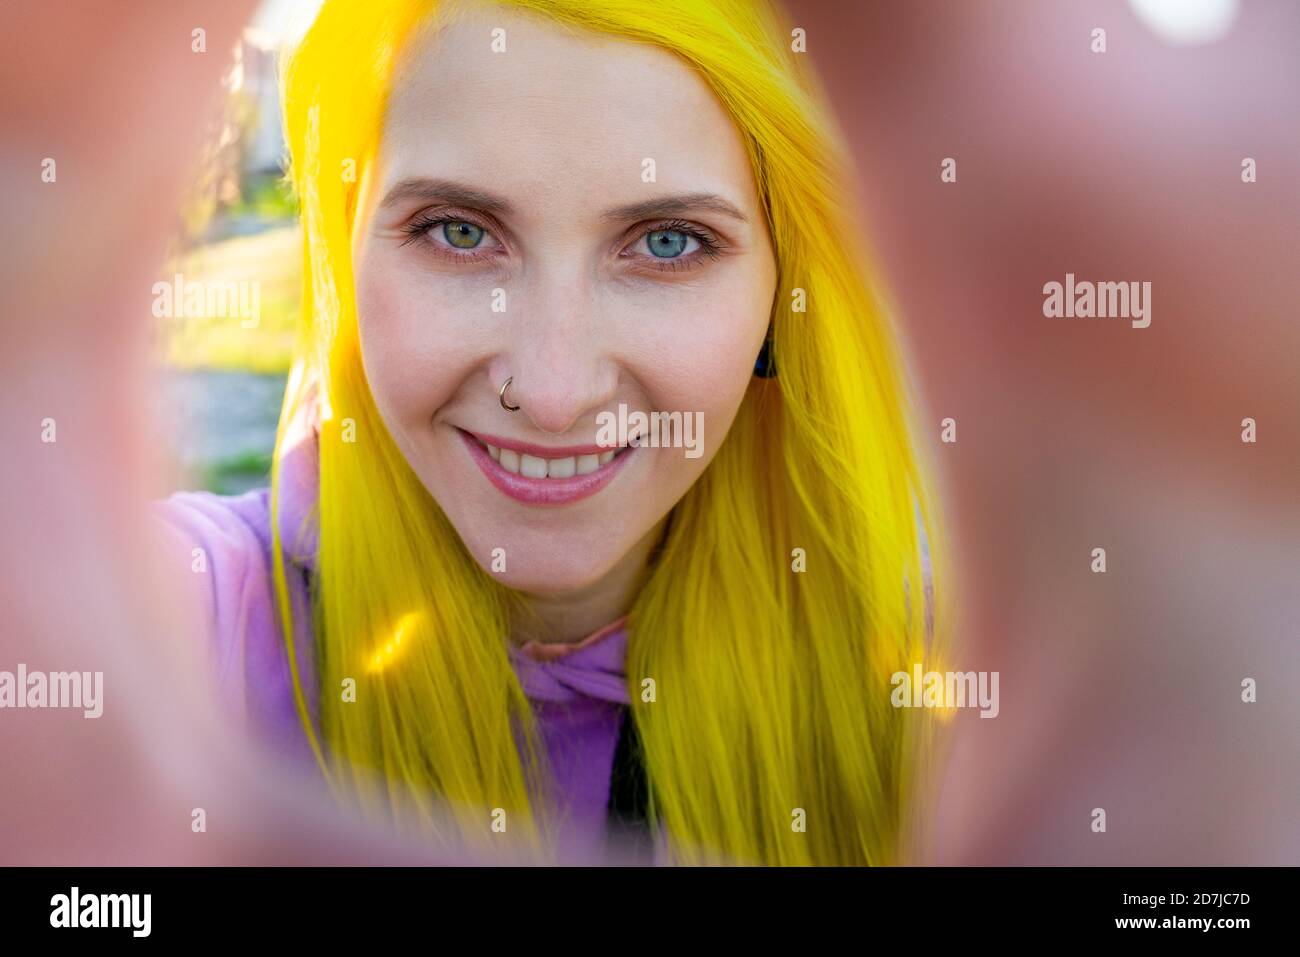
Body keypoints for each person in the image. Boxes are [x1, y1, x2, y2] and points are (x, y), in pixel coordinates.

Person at [152, 0, 944, 866]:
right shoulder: (197, 625)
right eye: (459, 232)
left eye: (669, 242)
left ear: (781, 294)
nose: (553, 392)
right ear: (347, 249)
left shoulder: (931, 671)